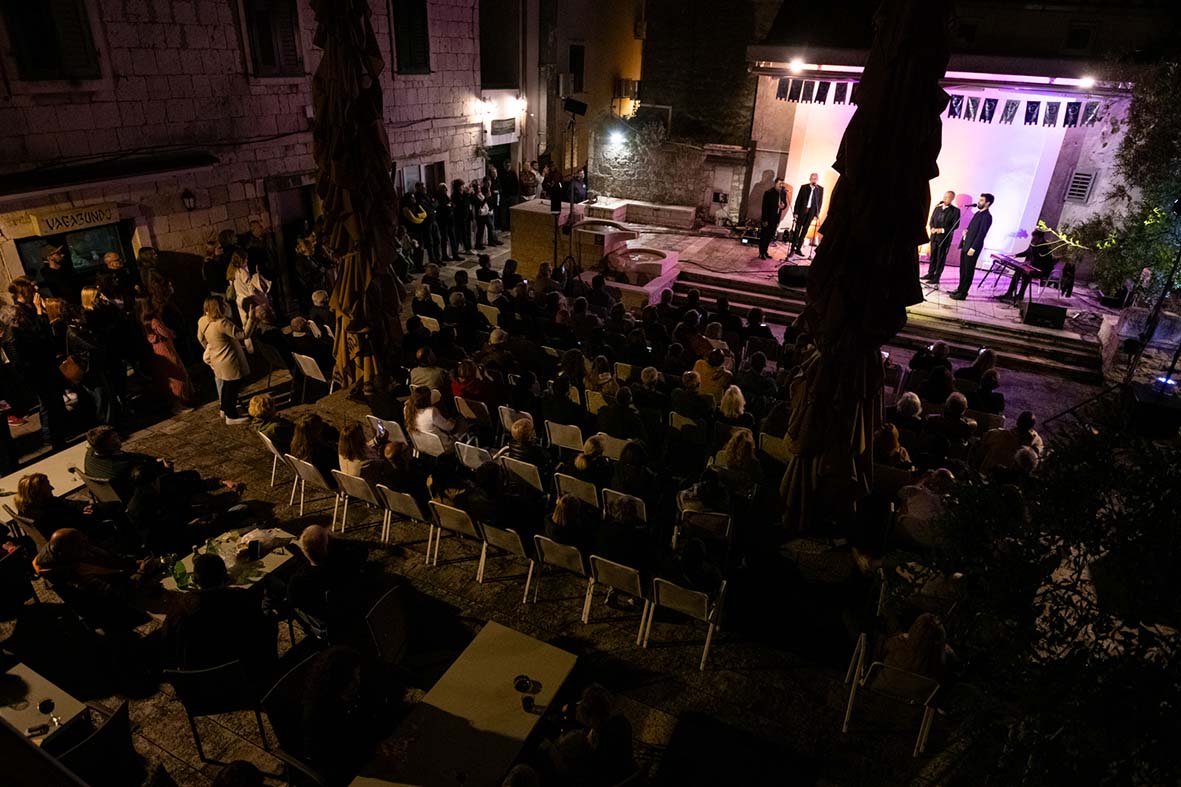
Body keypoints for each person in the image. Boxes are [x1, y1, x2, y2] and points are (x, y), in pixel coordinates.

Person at [163, 553, 276, 678]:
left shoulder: (179, 610)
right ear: (225, 577)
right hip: (243, 674)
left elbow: (168, 646)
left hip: (199, 681)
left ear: (194, 580)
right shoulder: (240, 597)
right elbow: (260, 625)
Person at [6, 278, 68, 448]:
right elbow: (35, 336)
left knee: (55, 399)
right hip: (36, 367)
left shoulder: (30, 309)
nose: (36, 290)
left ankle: (60, 431)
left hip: (46, 362)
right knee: (47, 403)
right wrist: (40, 313)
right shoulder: (18, 314)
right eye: (32, 287)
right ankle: (51, 437)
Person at [551, 683, 635, 785]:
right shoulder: (620, 720)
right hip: (628, 768)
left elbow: (591, 769)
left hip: (609, 779)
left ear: (593, 718)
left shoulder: (601, 746)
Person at [197, 297, 251, 424]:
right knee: (232, 386)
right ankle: (231, 415)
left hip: (217, 359)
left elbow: (200, 337)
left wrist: (212, 347)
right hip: (228, 360)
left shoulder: (202, 320)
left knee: (226, 385)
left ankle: (224, 409)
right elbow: (243, 335)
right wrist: (251, 319)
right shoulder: (222, 323)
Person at [14, 472, 93, 541]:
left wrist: (82, 507)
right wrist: (82, 512)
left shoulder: (40, 502)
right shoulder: (43, 515)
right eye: (48, 486)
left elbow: (64, 502)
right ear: (38, 492)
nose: (52, 488)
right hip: (69, 538)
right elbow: (67, 524)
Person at [143, 307, 194, 410]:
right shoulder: (155, 321)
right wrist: (171, 333)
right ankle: (179, 403)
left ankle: (178, 401)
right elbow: (166, 333)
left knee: (169, 375)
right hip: (166, 349)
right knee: (177, 373)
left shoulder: (145, 322)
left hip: (158, 349)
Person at [948, 193, 994, 300]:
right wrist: (966, 231)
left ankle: (963, 293)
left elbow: (981, 234)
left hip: (973, 247)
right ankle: (960, 289)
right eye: (979, 200)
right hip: (966, 244)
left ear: (987, 203)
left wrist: (973, 248)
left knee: (968, 270)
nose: (979, 202)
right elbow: (973, 229)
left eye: (982, 200)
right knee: (963, 269)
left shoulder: (987, 216)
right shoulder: (978, 213)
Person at [882, 613, 952, 681]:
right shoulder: (938, 657)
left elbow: (882, 652)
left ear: (915, 627)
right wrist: (943, 643)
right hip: (913, 689)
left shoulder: (898, 642)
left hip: (884, 685)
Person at [976, 410, 1043, 472]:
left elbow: (982, 442)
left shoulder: (998, 435)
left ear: (1017, 422)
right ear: (1032, 427)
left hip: (990, 473)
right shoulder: (1037, 443)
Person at [1001, 228, 1055, 303]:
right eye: (1033, 237)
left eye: (1035, 238)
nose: (1033, 239)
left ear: (1040, 238)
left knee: (1025, 272)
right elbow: (1027, 252)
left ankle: (1020, 295)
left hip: (1041, 270)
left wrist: (1030, 263)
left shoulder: (1044, 246)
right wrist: (1015, 255)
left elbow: (1043, 261)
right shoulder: (1034, 243)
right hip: (1033, 266)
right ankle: (1010, 293)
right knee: (1019, 270)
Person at [404, 386, 465, 451]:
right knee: (461, 421)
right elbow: (449, 427)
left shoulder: (407, 410)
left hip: (422, 446)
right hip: (443, 447)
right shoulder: (431, 412)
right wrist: (452, 420)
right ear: (427, 399)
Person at [923, 191, 961, 284]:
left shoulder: (955, 211)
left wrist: (942, 230)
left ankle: (937, 277)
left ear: (952, 199)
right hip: (934, 236)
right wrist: (932, 228)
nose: (945, 198)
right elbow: (931, 220)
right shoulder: (937, 208)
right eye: (944, 196)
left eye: (947, 197)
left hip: (944, 238)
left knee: (940, 257)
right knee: (933, 256)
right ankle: (930, 273)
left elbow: (955, 225)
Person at [290, 413, 340, 480]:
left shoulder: (296, 446)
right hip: (330, 480)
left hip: (309, 475)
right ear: (317, 430)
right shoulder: (321, 451)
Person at [789, 173, 824, 256]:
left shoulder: (820, 189)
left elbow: (819, 203)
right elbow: (798, 200)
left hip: (810, 214)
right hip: (802, 212)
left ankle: (798, 249)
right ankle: (792, 249)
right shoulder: (804, 187)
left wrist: (816, 214)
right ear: (810, 179)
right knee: (797, 231)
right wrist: (796, 212)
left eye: (815, 179)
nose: (814, 180)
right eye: (813, 178)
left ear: (817, 180)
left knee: (804, 232)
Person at [758, 178, 788, 260]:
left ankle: (765, 251)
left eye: (782, 184)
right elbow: (764, 207)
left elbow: (785, 204)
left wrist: (783, 206)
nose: (781, 185)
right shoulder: (769, 193)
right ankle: (761, 252)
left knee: (770, 236)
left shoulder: (783, 193)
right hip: (768, 218)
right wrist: (764, 220)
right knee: (764, 236)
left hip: (776, 218)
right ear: (775, 183)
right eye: (779, 183)